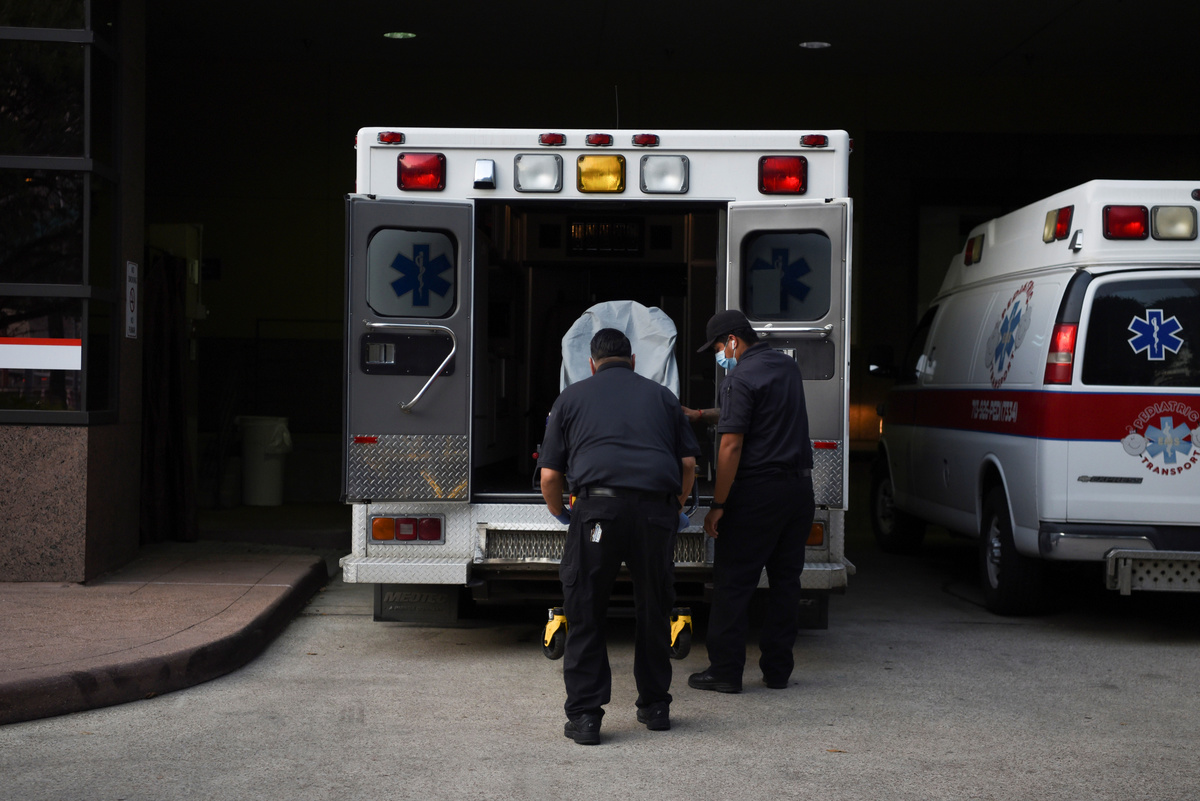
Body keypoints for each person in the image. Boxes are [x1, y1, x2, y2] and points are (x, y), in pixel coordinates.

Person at [538, 328, 700, 745]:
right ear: (633, 360)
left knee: (586, 609)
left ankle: (586, 718)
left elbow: (550, 475)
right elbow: (688, 465)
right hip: (655, 513)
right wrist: (675, 507)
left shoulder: (570, 398)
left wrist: (561, 513)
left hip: (597, 513)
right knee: (654, 607)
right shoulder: (663, 397)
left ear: (592, 364)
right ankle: (656, 707)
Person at [687, 309, 815, 694]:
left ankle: (725, 671)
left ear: (733, 341)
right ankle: (777, 671)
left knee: (734, 582)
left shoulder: (738, 378)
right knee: (786, 582)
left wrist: (718, 503)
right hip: (798, 492)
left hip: (758, 493)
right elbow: (756, 414)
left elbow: (732, 443)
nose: (718, 355)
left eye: (717, 347)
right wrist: (700, 415)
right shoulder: (786, 368)